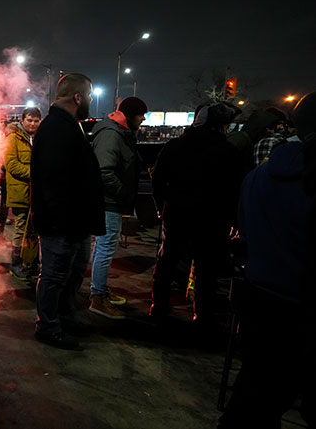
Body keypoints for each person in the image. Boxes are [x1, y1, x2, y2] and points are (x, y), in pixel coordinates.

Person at [218, 93, 315, 429]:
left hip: (259, 299)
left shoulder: (258, 177)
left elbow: (245, 231)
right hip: (300, 310)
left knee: (252, 401)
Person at [150, 102, 246, 329]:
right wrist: (234, 219)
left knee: (167, 262)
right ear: (221, 126)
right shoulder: (228, 152)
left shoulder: (175, 146)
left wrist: (161, 206)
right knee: (207, 270)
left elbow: (157, 180)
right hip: (213, 220)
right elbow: (235, 189)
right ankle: (202, 316)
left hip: (177, 214)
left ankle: (159, 307)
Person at [31, 73, 105, 350]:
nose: (89, 101)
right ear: (77, 97)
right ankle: (47, 326)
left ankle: (63, 316)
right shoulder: (55, 128)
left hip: (73, 222)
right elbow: (54, 183)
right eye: (87, 96)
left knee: (69, 274)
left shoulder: (65, 125)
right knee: (53, 276)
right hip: (61, 224)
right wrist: (64, 224)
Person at [88, 97, 147, 319]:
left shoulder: (119, 132)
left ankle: (100, 290)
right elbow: (104, 172)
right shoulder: (112, 134)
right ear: (130, 114)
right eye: (141, 114)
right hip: (109, 202)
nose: (143, 119)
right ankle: (98, 297)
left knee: (103, 247)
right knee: (105, 247)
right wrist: (125, 193)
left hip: (111, 201)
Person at [4, 107, 41, 280]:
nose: (33, 124)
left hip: (37, 192)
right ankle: (16, 263)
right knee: (20, 228)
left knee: (34, 229)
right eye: (29, 120)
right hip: (20, 191)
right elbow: (11, 164)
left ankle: (31, 262)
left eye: (36, 120)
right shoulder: (13, 138)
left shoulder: (40, 138)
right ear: (22, 120)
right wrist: (35, 172)